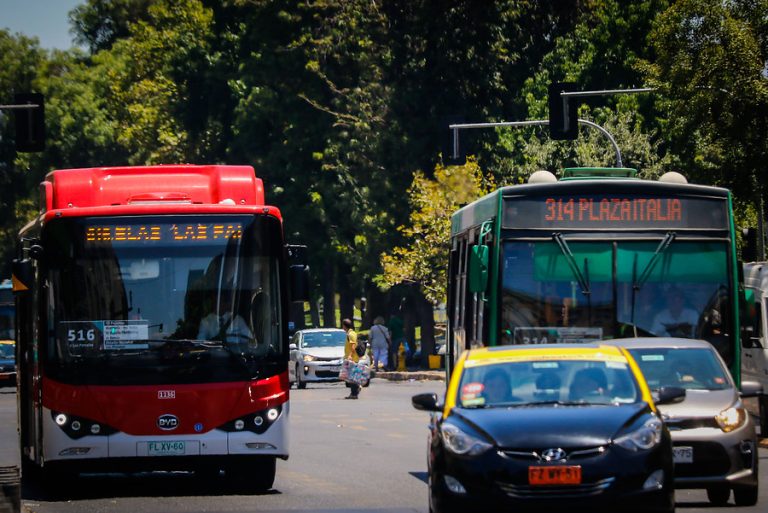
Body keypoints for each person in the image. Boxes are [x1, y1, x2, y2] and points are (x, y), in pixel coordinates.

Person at [342, 318, 361, 399]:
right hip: (352, 358)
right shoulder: (352, 333)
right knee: (351, 377)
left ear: (344, 326)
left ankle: (354, 393)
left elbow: (353, 345)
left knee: (352, 377)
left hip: (352, 358)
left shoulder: (350, 334)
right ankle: (354, 391)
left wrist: (350, 355)